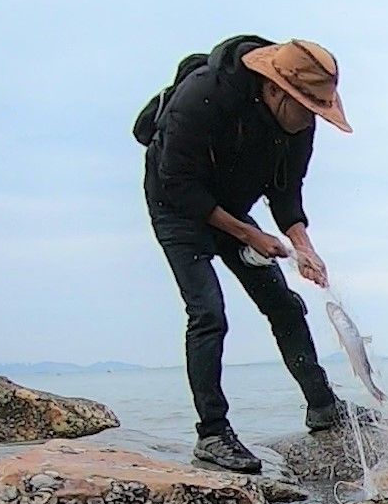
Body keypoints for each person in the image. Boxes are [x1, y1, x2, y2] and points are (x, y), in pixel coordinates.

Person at [142, 36, 359, 474]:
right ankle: (212, 434)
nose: (312, 118)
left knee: (284, 304)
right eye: (307, 107)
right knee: (208, 313)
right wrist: (249, 235)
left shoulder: (301, 122)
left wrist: (304, 248)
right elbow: (178, 183)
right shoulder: (203, 97)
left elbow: (286, 191)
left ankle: (323, 406)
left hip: (233, 206)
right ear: (275, 89)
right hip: (176, 206)